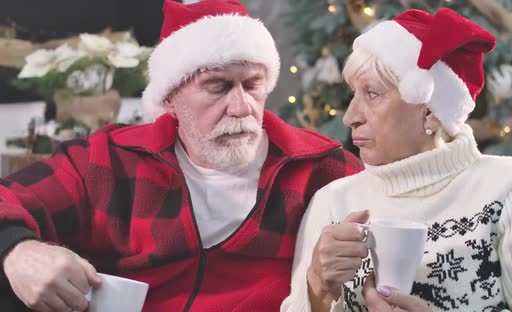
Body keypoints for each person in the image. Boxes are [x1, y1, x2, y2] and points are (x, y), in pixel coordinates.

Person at [0, 1, 363, 311]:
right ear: (171, 98)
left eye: (253, 84)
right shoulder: (107, 161)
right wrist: (17, 252)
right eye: (217, 87)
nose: (241, 107)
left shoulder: (322, 167)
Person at [281, 8, 512, 312]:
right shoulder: (332, 201)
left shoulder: (511, 185)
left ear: (428, 110)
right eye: (353, 94)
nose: (350, 117)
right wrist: (317, 287)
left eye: (372, 94)